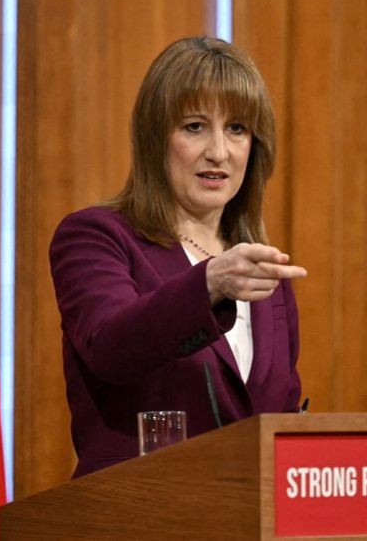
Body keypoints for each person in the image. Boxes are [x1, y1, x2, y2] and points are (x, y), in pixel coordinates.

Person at [50, 36, 307, 477]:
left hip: (248, 508)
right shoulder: (96, 237)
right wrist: (209, 284)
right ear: (155, 139)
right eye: (194, 126)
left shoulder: (261, 271)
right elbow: (110, 347)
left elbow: (279, 411)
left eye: (237, 128)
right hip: (139, 505)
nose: (218, 152)